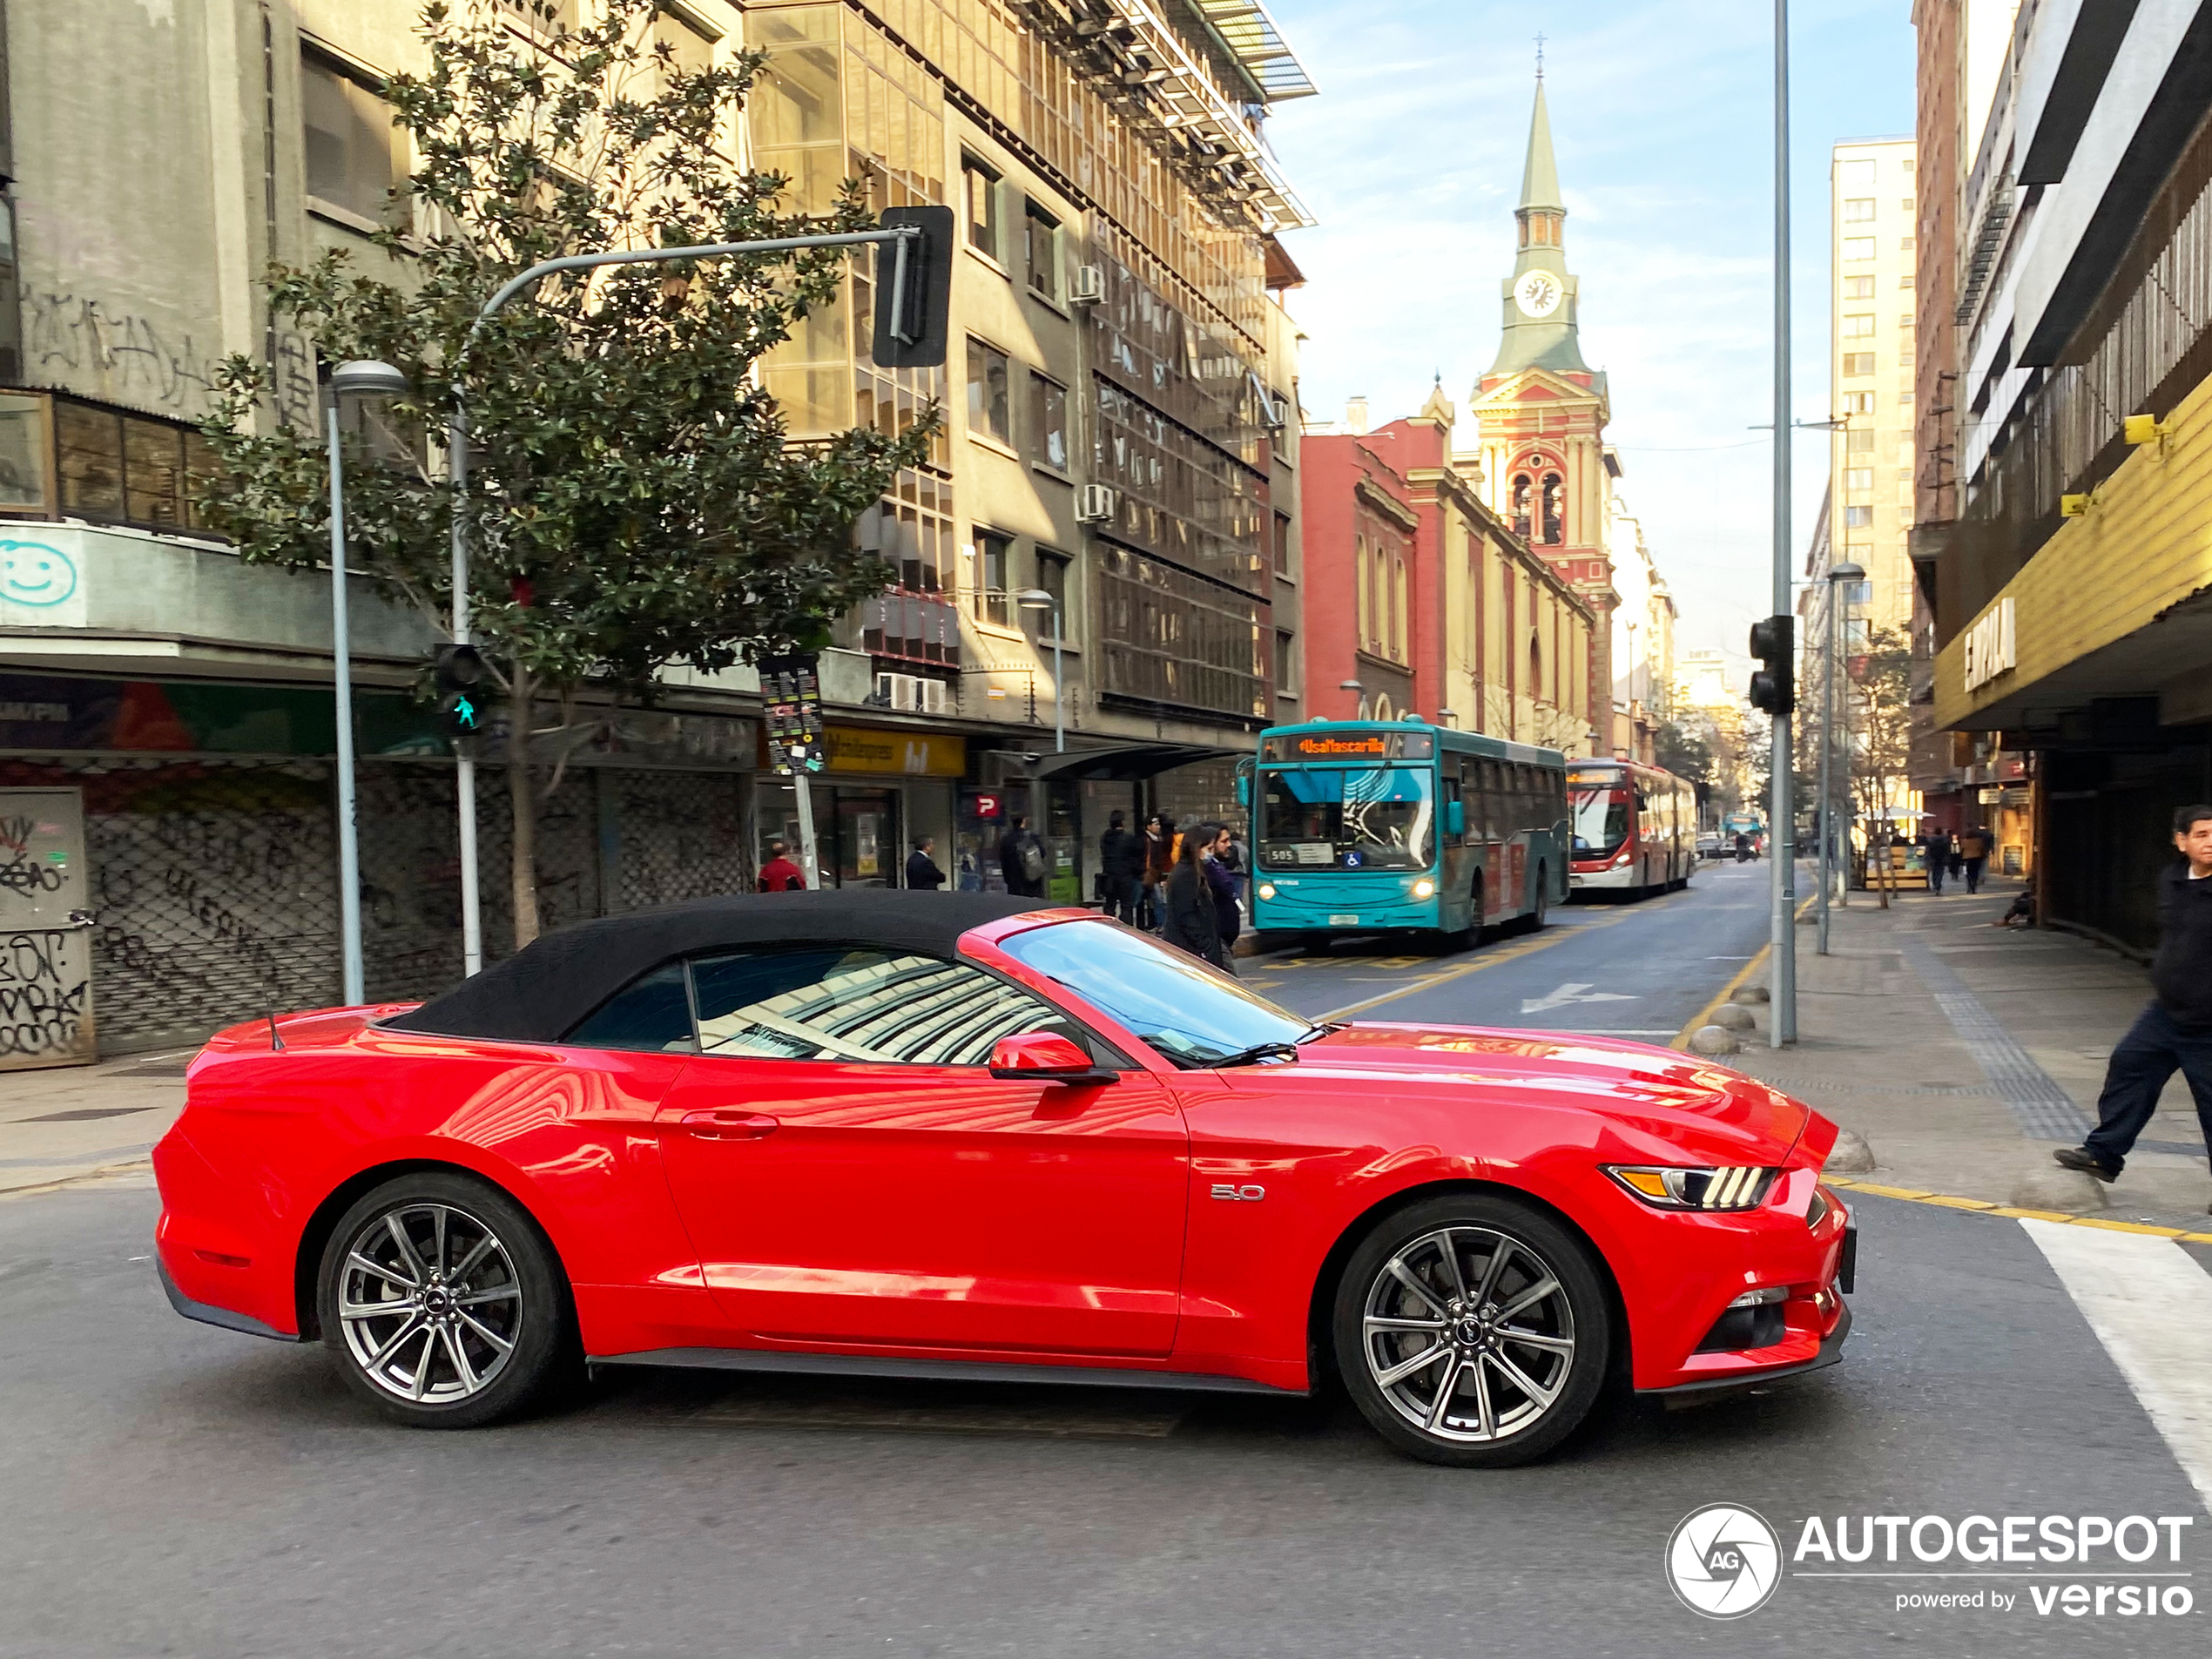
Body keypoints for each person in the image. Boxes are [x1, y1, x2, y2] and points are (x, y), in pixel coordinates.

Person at [2054, 805, 2212, 1193]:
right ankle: (2103, 1155)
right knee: (2130, 1065)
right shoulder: (2172, 880)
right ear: (2181, 841)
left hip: (2209, 1022)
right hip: (2167, 1011)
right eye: (2202, 835)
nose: (2211, 843)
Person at [1161, 819, 1228, 970]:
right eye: (1209, 848)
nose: (1211, 853)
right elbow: (1186, 915)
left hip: (1202, 947)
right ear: (1197, 848)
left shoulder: (1194, 871)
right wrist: (1205, 947)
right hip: (1192, 950)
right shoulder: (1186, 874)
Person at [1199, 820, 1242, 968]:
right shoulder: (1204, 871)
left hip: (1223, 941)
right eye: (1224, 841)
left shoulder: (1217, 865)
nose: (1229, 845)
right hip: (1215, 941)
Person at [1098, 810, 1143, 923]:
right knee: (1126, 907)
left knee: (1109, 905)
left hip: (1109, 876)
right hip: (1126, 876)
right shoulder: (1129, 839)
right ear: (1122, 822)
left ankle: (1109, 928)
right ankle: (1125, 930)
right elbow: (1137, 855)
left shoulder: (1105, 838)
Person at [997, 813, 1046, 898]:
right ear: (1023, 821)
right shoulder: (1032, 837)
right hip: (1032, 880)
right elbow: (1042, 854)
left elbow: (1003, 861)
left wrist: (1008, 879)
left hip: (1014, 882)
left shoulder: (1006, 839)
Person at [1142, 810, 1175, 929]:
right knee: (1159, 901)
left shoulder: (1158, 840)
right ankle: (1160, 925)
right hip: (1150, 875)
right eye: (1155, 824)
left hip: (1155, 875)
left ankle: (1155, 924)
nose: (1158, 827)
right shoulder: (1146, 840)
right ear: (1148, 826)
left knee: (1156, 901)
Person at [1959, 825, 1992, 894]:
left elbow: (1961, 850)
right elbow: (1981, 849)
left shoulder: (1964, 841)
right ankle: (1974, 887)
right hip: (1977, 858)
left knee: (1968, 873)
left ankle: (1969, 887)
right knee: (1975, 873)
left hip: (1967, 858)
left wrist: (1961, 858)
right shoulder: (1979, 841)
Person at [1923, 824, 1953, 894]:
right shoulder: (1945, 841)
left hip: (1933, 859)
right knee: (1940, 873)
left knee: (1934, 873)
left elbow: (1928, 851)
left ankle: (1935, 885)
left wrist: (1927, 858)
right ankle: (1938, 886)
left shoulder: (1931, 841)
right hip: (1941, 859)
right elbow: (1947, 851)